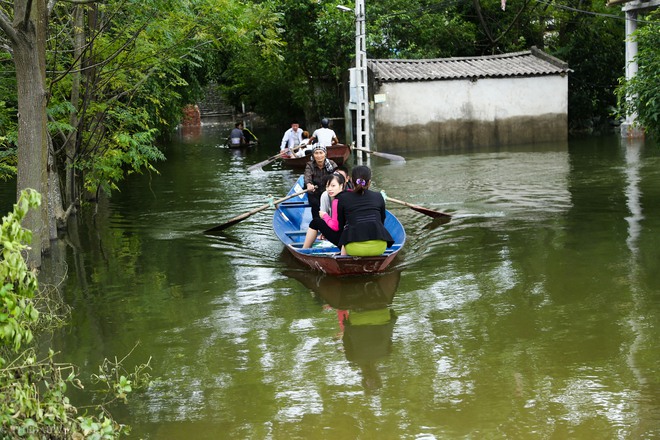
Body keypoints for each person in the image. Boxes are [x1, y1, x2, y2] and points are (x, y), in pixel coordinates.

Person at [336, 165, 394, 256]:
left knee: (346, 231)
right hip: (379, 248)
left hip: (354, 249)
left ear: (351, 180)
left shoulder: (343, 198)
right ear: (369, 182)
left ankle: (343, 258)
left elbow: (340, 225)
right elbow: (382, 221)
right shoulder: (378, 196)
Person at [302, 172, 346, 248]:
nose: (330, 189)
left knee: (315, 222)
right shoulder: (326, 195)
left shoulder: (337, 201)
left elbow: (335, 225)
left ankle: (304, 249)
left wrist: (325, 216)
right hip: (347, 234)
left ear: (341, 186)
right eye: (327, 186)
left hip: (343, 237)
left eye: (333, 186)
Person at [304, 145, 337, 219]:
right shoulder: (310, 165)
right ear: (313, 154)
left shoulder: (332, 164)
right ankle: (316, 223)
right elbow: (307, 176)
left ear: (325, 154)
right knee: (315, 205)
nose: (319, 156)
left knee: (333, 204)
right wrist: (309, 184)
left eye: (321, 153)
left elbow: (337, 177)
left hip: (328, 190)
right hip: (314, 191)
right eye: (316, 153)